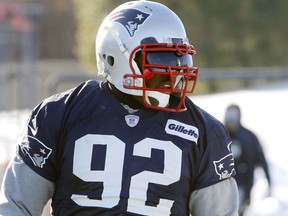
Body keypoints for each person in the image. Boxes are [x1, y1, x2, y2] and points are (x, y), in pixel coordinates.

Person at [0, 1, 239, 215]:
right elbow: (17, 206)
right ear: (114, 57)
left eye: (179, 60)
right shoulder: (58, 114)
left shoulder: (206, 132)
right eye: (161, 60)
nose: (174, 72)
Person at [224, 104, 271, 216]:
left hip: (243, 185)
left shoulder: (249, 137)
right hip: (222, 187)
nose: (231, 120)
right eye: (229, 115)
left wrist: (269, 183)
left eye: (233, 116)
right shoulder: (217, 134)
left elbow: (262, 160)